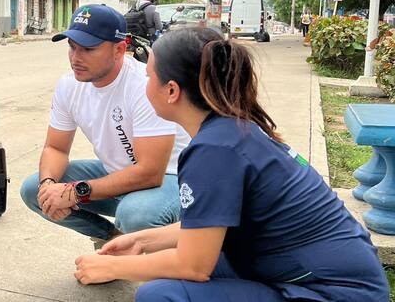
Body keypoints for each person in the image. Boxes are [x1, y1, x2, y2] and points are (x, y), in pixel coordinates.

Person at [73, 28, 389, 301]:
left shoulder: (214, 149)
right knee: (171, 270)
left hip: (331, 292)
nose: (144, 87)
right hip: (319, 272)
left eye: (148, 78)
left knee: (162, 294)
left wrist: (111, 267)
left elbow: (194, 266)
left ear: (171, 91)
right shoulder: (230, 129)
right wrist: (141, 241)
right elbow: (207, 227)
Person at [20, 4, 189, 246]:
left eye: (88, 49)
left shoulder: (145, 85)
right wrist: (49, 188)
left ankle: (161, 254)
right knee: (33, 190)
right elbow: (55, 149)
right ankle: (113, 242)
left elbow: (150, 172)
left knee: (136, 214)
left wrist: (73, 192)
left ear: (119, 49)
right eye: (72, 47)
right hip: (118, 173)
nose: (76, 58)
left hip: (170, 177)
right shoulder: (69, 86)